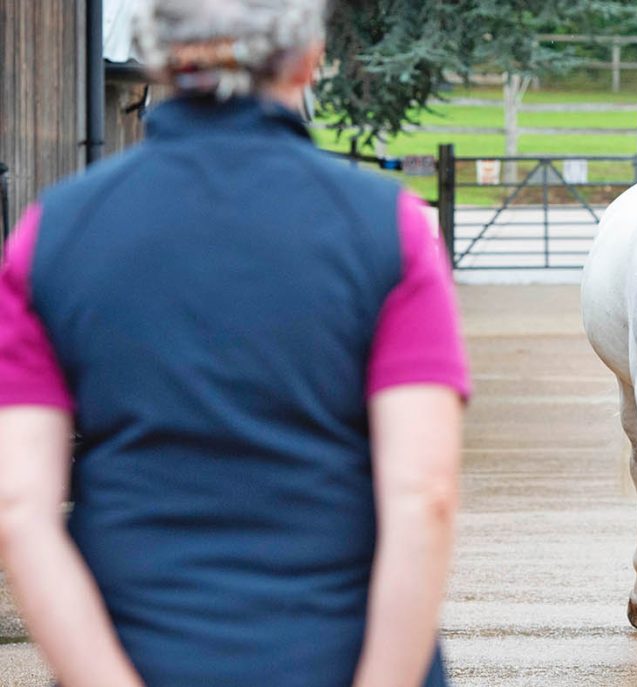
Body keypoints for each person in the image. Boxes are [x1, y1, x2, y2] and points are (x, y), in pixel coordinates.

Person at [0, 1, 469, 686]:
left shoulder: (52, 235)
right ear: (310, 56)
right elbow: (424, 492)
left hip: (141, 652)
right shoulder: (388, 232)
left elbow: (19, 509)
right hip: (335, 655)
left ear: (156, 58)